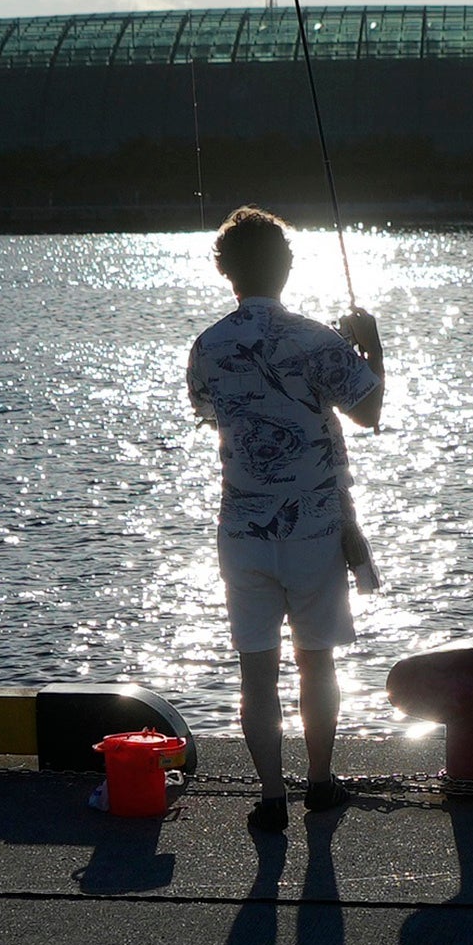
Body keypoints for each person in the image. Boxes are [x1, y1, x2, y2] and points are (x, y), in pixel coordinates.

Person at [184, 205, 383, 829]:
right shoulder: (319, 340)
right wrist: (370, 345)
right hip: (315, 528)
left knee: (256, 669)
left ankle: (271, 797)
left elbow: (210, 415)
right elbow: (369, 413)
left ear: (225, 271)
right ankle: (320, 784)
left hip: (241, 532)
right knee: (315, 659)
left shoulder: (206, 347)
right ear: (289, 267)